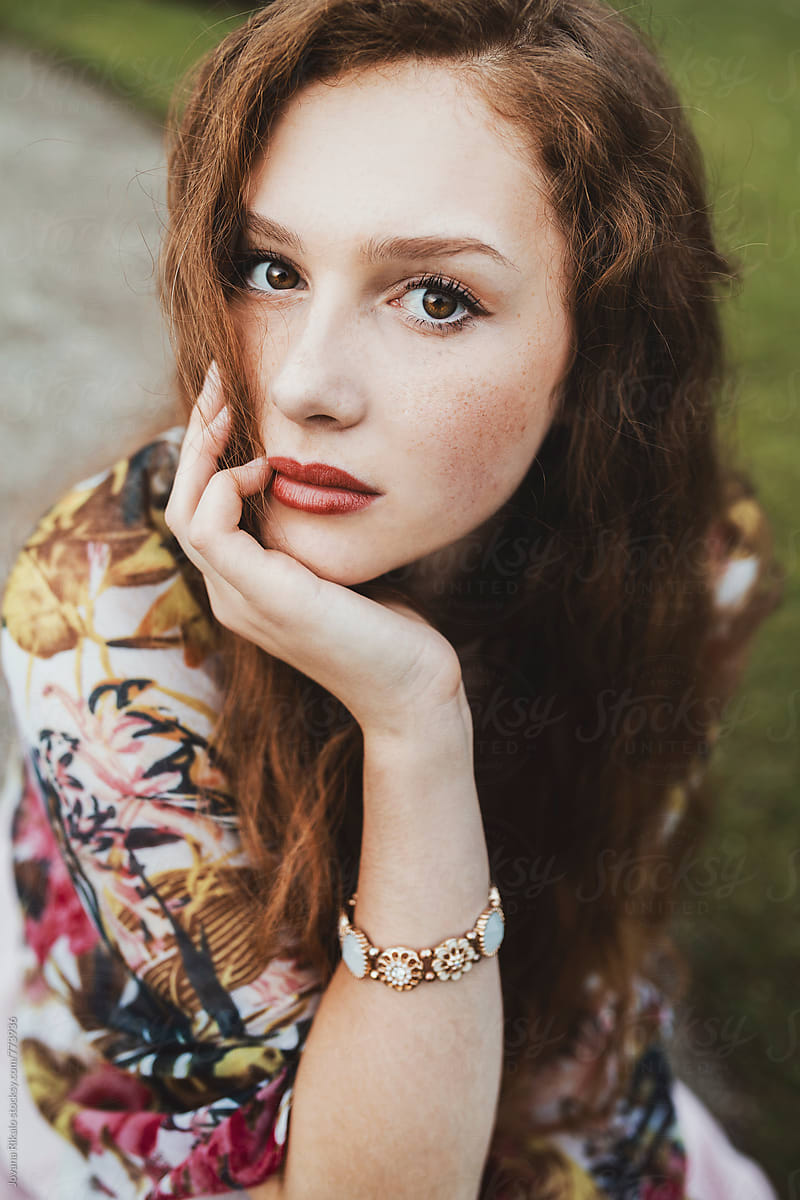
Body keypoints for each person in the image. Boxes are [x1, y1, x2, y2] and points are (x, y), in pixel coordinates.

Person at [0, 0, 787, 1197]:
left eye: (433, 298)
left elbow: (586, 992)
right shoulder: (109, 614)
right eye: (271, 269)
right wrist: (414, 721)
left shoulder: (691, 565)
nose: (307, 382)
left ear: (599, 347)